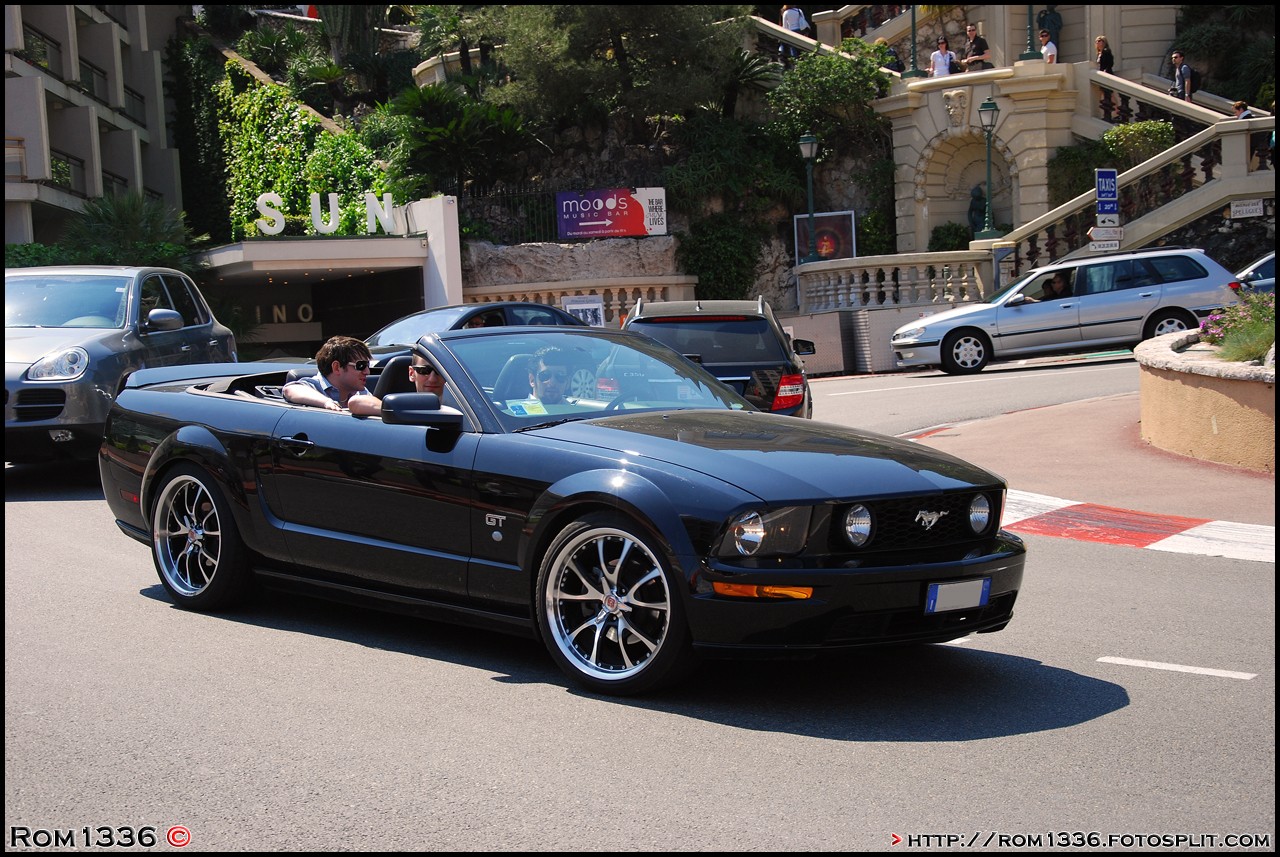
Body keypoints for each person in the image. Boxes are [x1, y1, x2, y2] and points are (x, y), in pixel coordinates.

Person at [283, 335, 382, 415]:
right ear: (336, 367)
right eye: (361, 365)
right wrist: (326, 402)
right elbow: (291, 389)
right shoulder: (314, 386)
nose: (367, 372)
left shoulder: (361, 392)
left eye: (368, 365)